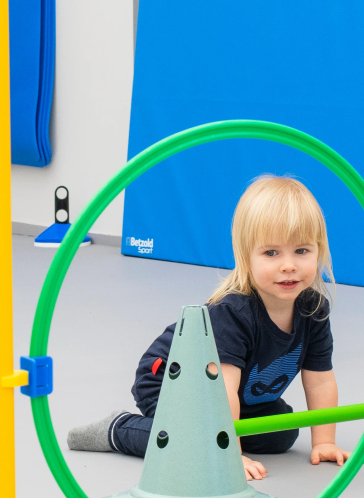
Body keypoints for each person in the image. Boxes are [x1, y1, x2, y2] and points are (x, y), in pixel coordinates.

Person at [68, 175, 348, 480]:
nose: (288, 265)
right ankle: (119, 429)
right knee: (198, 443)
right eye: (271, 253)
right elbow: (221, 390)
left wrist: (324, 441)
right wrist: (230, 455)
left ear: (319, 250)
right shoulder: (234, 313)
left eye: (302, 251)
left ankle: (220, 435)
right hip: (171, 380)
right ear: (246, 256)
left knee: (281, 434)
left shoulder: (313, 310)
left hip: (237, 395)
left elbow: (320, 381)